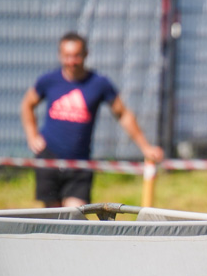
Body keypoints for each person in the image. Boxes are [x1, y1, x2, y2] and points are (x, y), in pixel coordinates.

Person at [20, 32, 163, 208]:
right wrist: (32, 135)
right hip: (49, 158)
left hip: (80, 162)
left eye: (76, 56)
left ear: (86, 54)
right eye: (67, 56)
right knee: (53, 219)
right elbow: (27, 104)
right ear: (60, 55)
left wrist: (145, 147)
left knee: (76, 215)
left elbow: (123, 114)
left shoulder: (99, 83)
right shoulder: (48, 81)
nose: (71, 61)